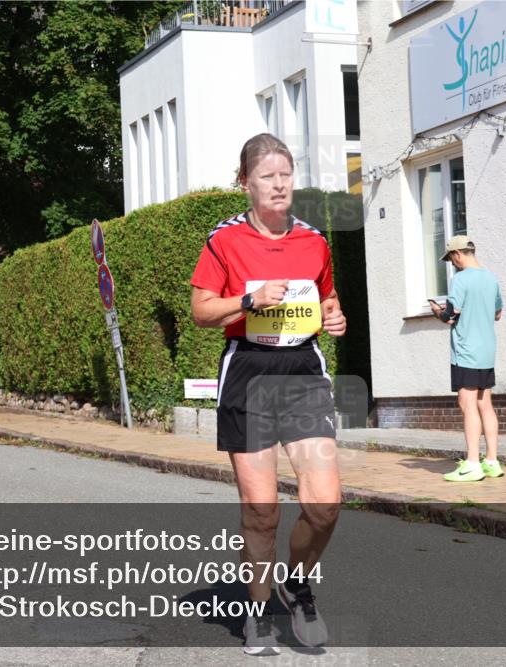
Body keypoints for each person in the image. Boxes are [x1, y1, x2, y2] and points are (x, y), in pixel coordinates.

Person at [190, 133, 346, 656]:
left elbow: (327, 298)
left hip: (302, 370)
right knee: (261, 510)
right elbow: (202, 310)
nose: (279, 185)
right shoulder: (224, 241)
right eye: (267, 177)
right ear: (246, 184)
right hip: (250, 371)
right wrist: (248, 298)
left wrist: (334, 316)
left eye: (285, 175)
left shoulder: (314, 241)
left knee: (324, 504)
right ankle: (257, 613)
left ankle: (295, 583)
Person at [430, 236, 504, 483]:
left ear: (458, 254)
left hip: (466, 351)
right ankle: (492, 461)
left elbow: (451, 316)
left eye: (451, 259)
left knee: (467, 404)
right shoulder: (490, 277)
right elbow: (498, 313)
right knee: (485, 404)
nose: (452, 264)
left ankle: (472, 463)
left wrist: (437, 311)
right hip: (486, 350)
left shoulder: (460, 279)